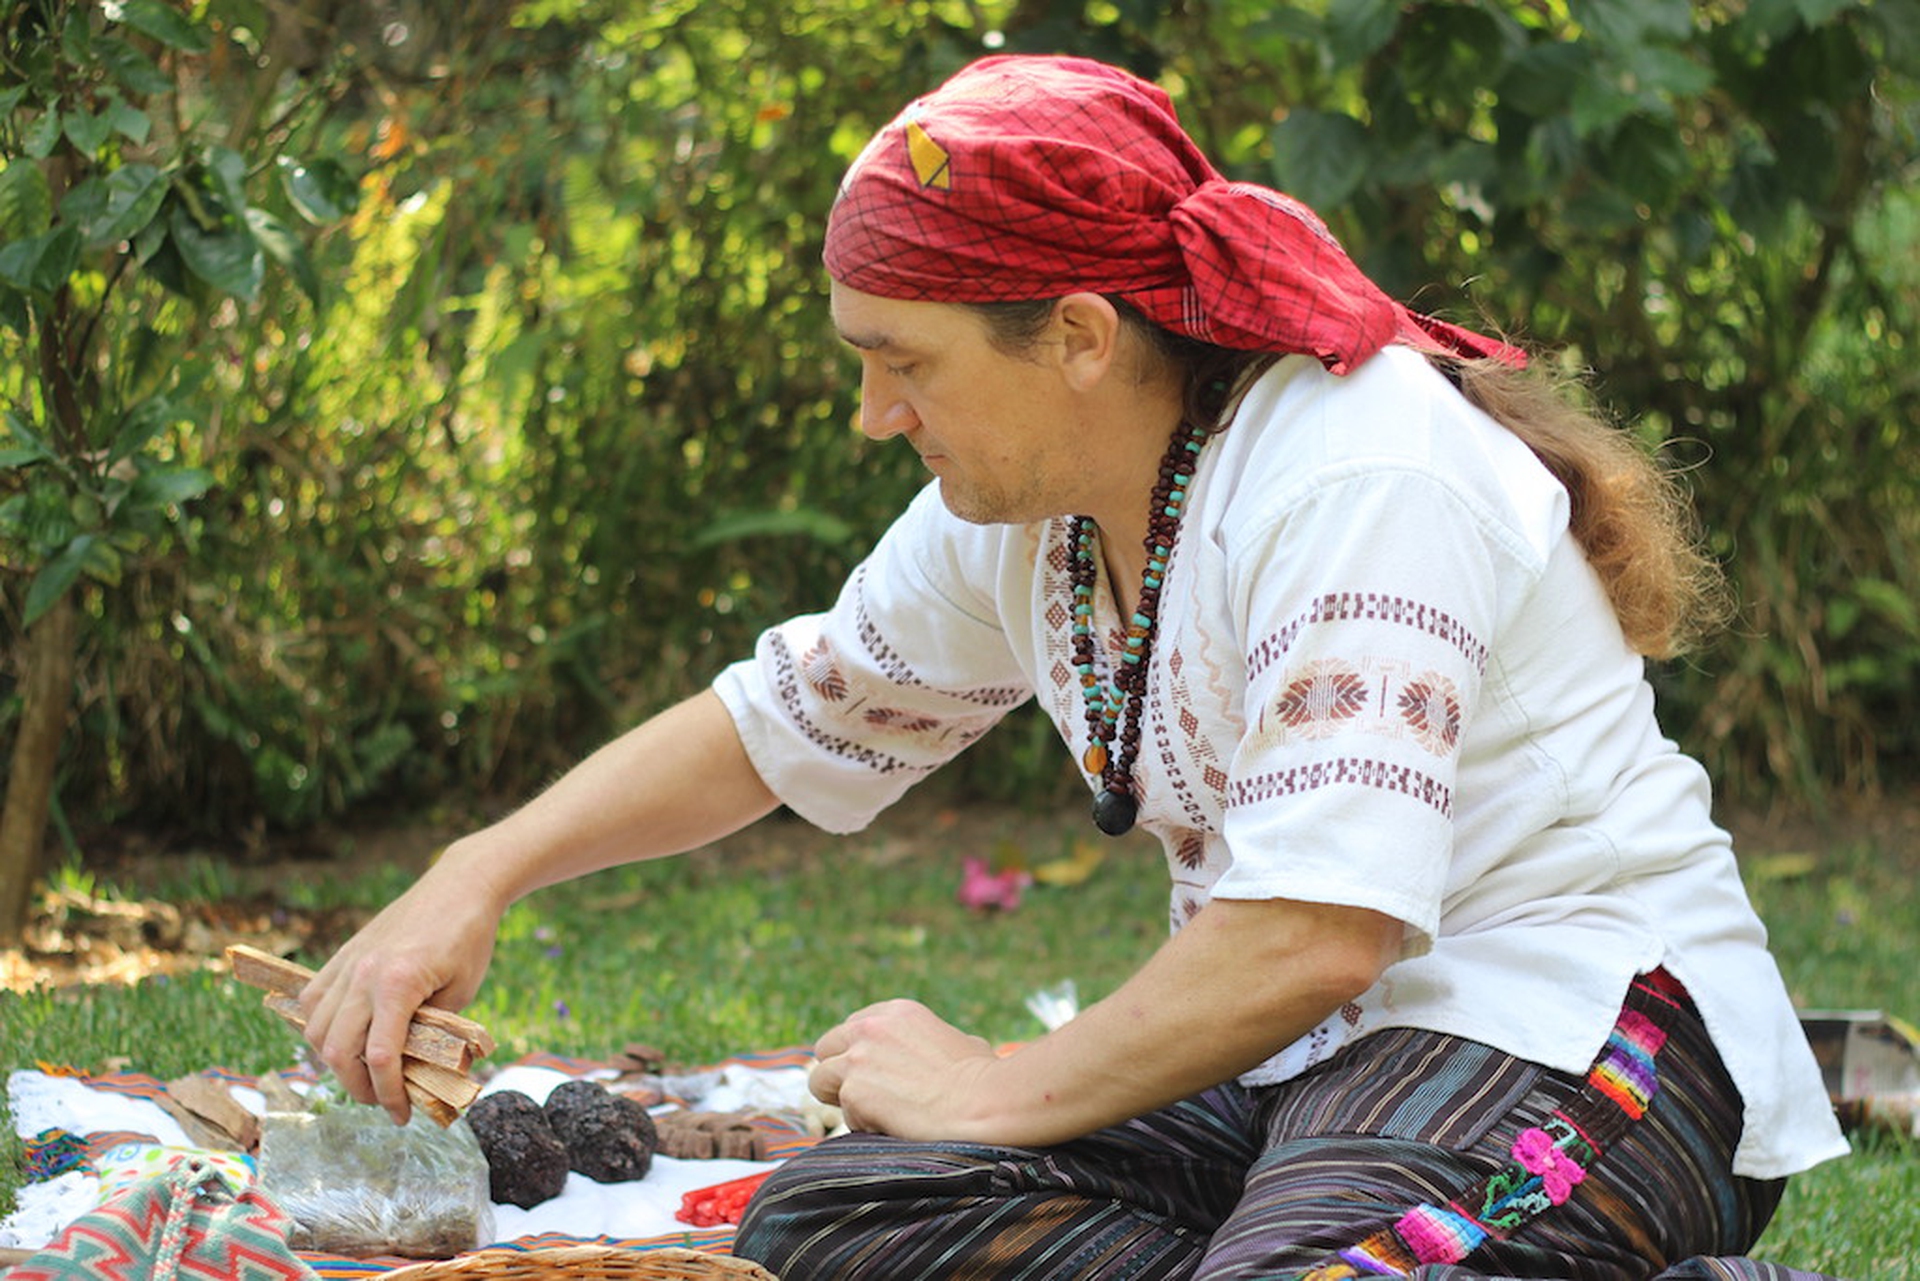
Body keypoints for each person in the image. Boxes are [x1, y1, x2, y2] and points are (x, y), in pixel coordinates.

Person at [299, 54, 1849, 1281]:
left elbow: (1316, 932)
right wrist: (477, 869)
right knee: (835, 1221)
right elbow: (783, 722)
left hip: (1576, 1042)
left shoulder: (1356, 470)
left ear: (1084, 337)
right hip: (1306, 1071)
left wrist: (1001, 1084)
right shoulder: (1028, 505)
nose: (873, 412)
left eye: (904, 360)